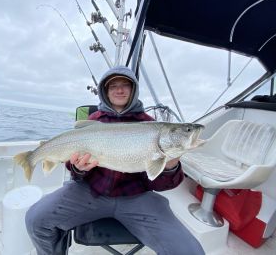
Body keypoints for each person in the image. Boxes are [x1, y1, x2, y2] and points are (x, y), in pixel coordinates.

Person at [25, 66, 204, 254]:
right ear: (105, 91)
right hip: (90, 192)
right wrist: (78, 169)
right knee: (36, 219)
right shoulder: (94, 120)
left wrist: (171, 164)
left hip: (137, 197)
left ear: (133, 90)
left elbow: (162, 185)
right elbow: (73, 167)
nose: (119, 90)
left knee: (190, 251)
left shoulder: (150, 124)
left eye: (125, 85)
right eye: (113, 86)